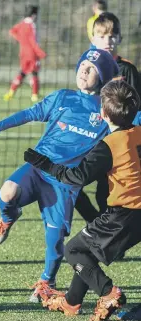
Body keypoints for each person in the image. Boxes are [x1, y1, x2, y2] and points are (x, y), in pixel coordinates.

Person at [0, 48, 118, 304]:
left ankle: (47, 282)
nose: (84, 71)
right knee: (7, 191)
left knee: (55, 239)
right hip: (39, 167)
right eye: (82, 65)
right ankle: (8, 217)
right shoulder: (62, 97)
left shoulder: (106, 112)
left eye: (92, 69)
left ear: (102, 78)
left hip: (65, 183)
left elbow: (132, 121)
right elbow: (29, 113)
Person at [24, 80, 141, 321]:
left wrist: (44, 163)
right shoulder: (138, 132)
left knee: (74, 250)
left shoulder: (109, 145)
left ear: (103, 114)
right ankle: (71, 302)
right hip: (135, 214)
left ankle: (108, 293)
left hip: (124, 213)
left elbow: (76, 177)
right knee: (89, 250)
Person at [76, 12, 141, 223]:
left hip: (117, 142)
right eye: (102, 36)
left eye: (112, 36)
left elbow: (137, 108)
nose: (108, 41)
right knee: (70, 183)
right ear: (92, 39)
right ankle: (96, 224)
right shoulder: (87, 66)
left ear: (119, 39)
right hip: (90, 137)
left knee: (106, 194)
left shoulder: (127, 70)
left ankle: (108, 236)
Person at [3, 4, 46, 103]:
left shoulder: (22, 24)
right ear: (34, 15)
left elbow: (12, 31)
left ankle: (11, 92)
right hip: (32, 54)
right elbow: (32, 41)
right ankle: (34, 95)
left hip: (23, 53)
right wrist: (40, 52)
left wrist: (21, 40)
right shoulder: (32, 25)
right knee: (34, 73)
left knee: (22, 73)